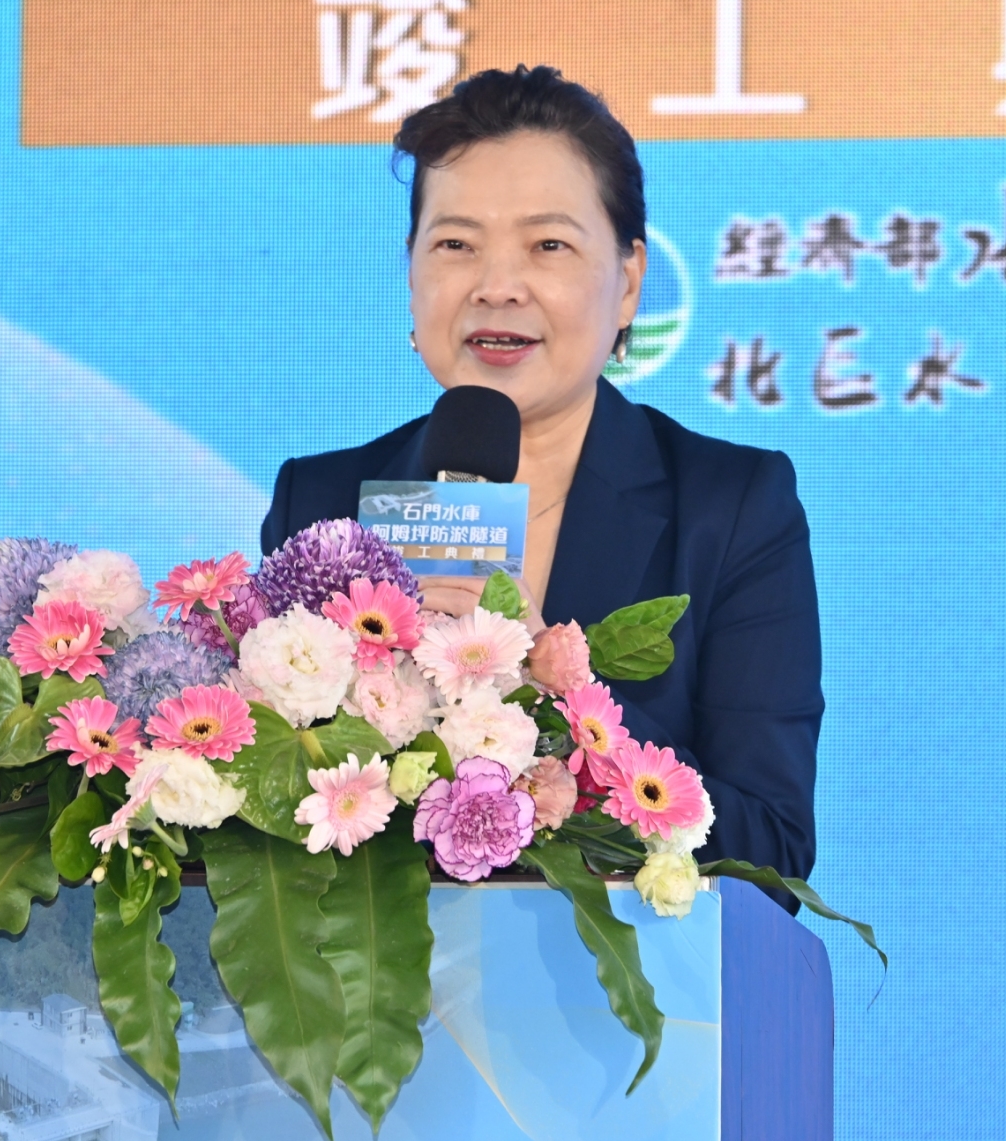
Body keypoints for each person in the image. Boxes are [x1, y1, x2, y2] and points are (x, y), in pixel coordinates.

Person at [261, 65, 823, 886]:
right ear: (412, 274)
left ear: (628, 282)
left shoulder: (730, 508)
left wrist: (551, 694)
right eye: (455, 245)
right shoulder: (321, 507)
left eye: (548, 245)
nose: (496, 287)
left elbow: (769, 847)